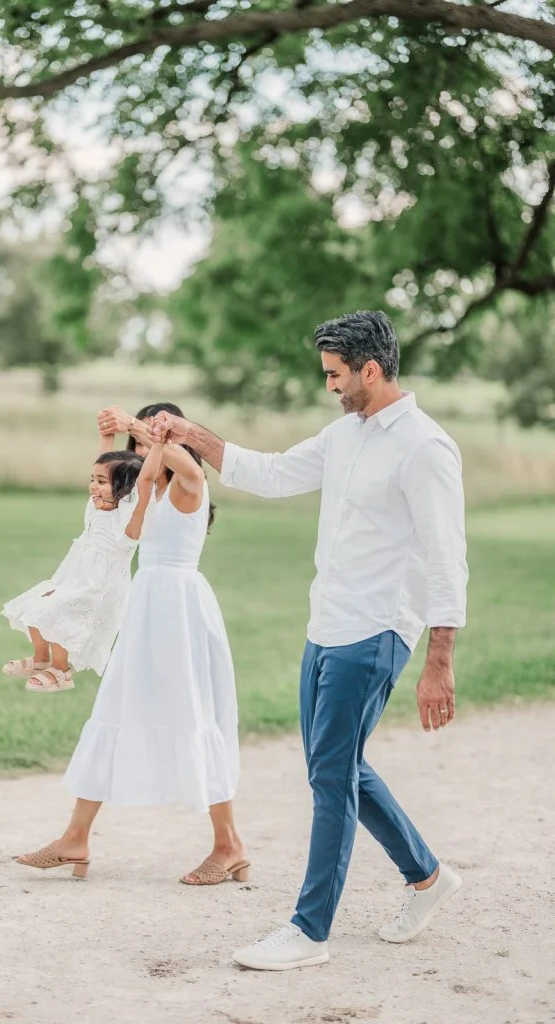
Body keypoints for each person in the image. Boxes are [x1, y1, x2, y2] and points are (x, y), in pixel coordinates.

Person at [151, 310, 469, 969]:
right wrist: (189, 433)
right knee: (339, 766)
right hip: (326, 623)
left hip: (379, 628)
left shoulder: (425, 447)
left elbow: (446, 558)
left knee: (330, 774)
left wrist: (440, 659)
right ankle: (429, 877)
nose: (330, 387)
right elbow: (267, 473)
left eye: (335, 376)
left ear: (370, 371)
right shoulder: (344, 435)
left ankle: (309, 930)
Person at [13, 403, 247, 885]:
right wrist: (110, 440)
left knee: (196, 716)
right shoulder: (143, 495)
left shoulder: (189, 484)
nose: (145, 451)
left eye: (156, 438)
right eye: (139, 447)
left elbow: (180, 458)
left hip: (180, 609)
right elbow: (100, 509)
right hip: (145, 607)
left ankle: (229, 846)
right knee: (112, 711)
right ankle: (75, 836)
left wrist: (143, 428)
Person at [0, 429, 163, 693]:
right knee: (35, 606)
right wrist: (107, 435)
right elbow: (101, 459)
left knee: (56, 613)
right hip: (73, 576)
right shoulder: (96, 508)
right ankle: (42, 661)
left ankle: (62, 671)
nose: (93, 487)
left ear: (124, 490)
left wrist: (158, 446)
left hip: (100, 587)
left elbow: (145, 481)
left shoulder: (128, 524)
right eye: (93, 480)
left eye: (101, 482)